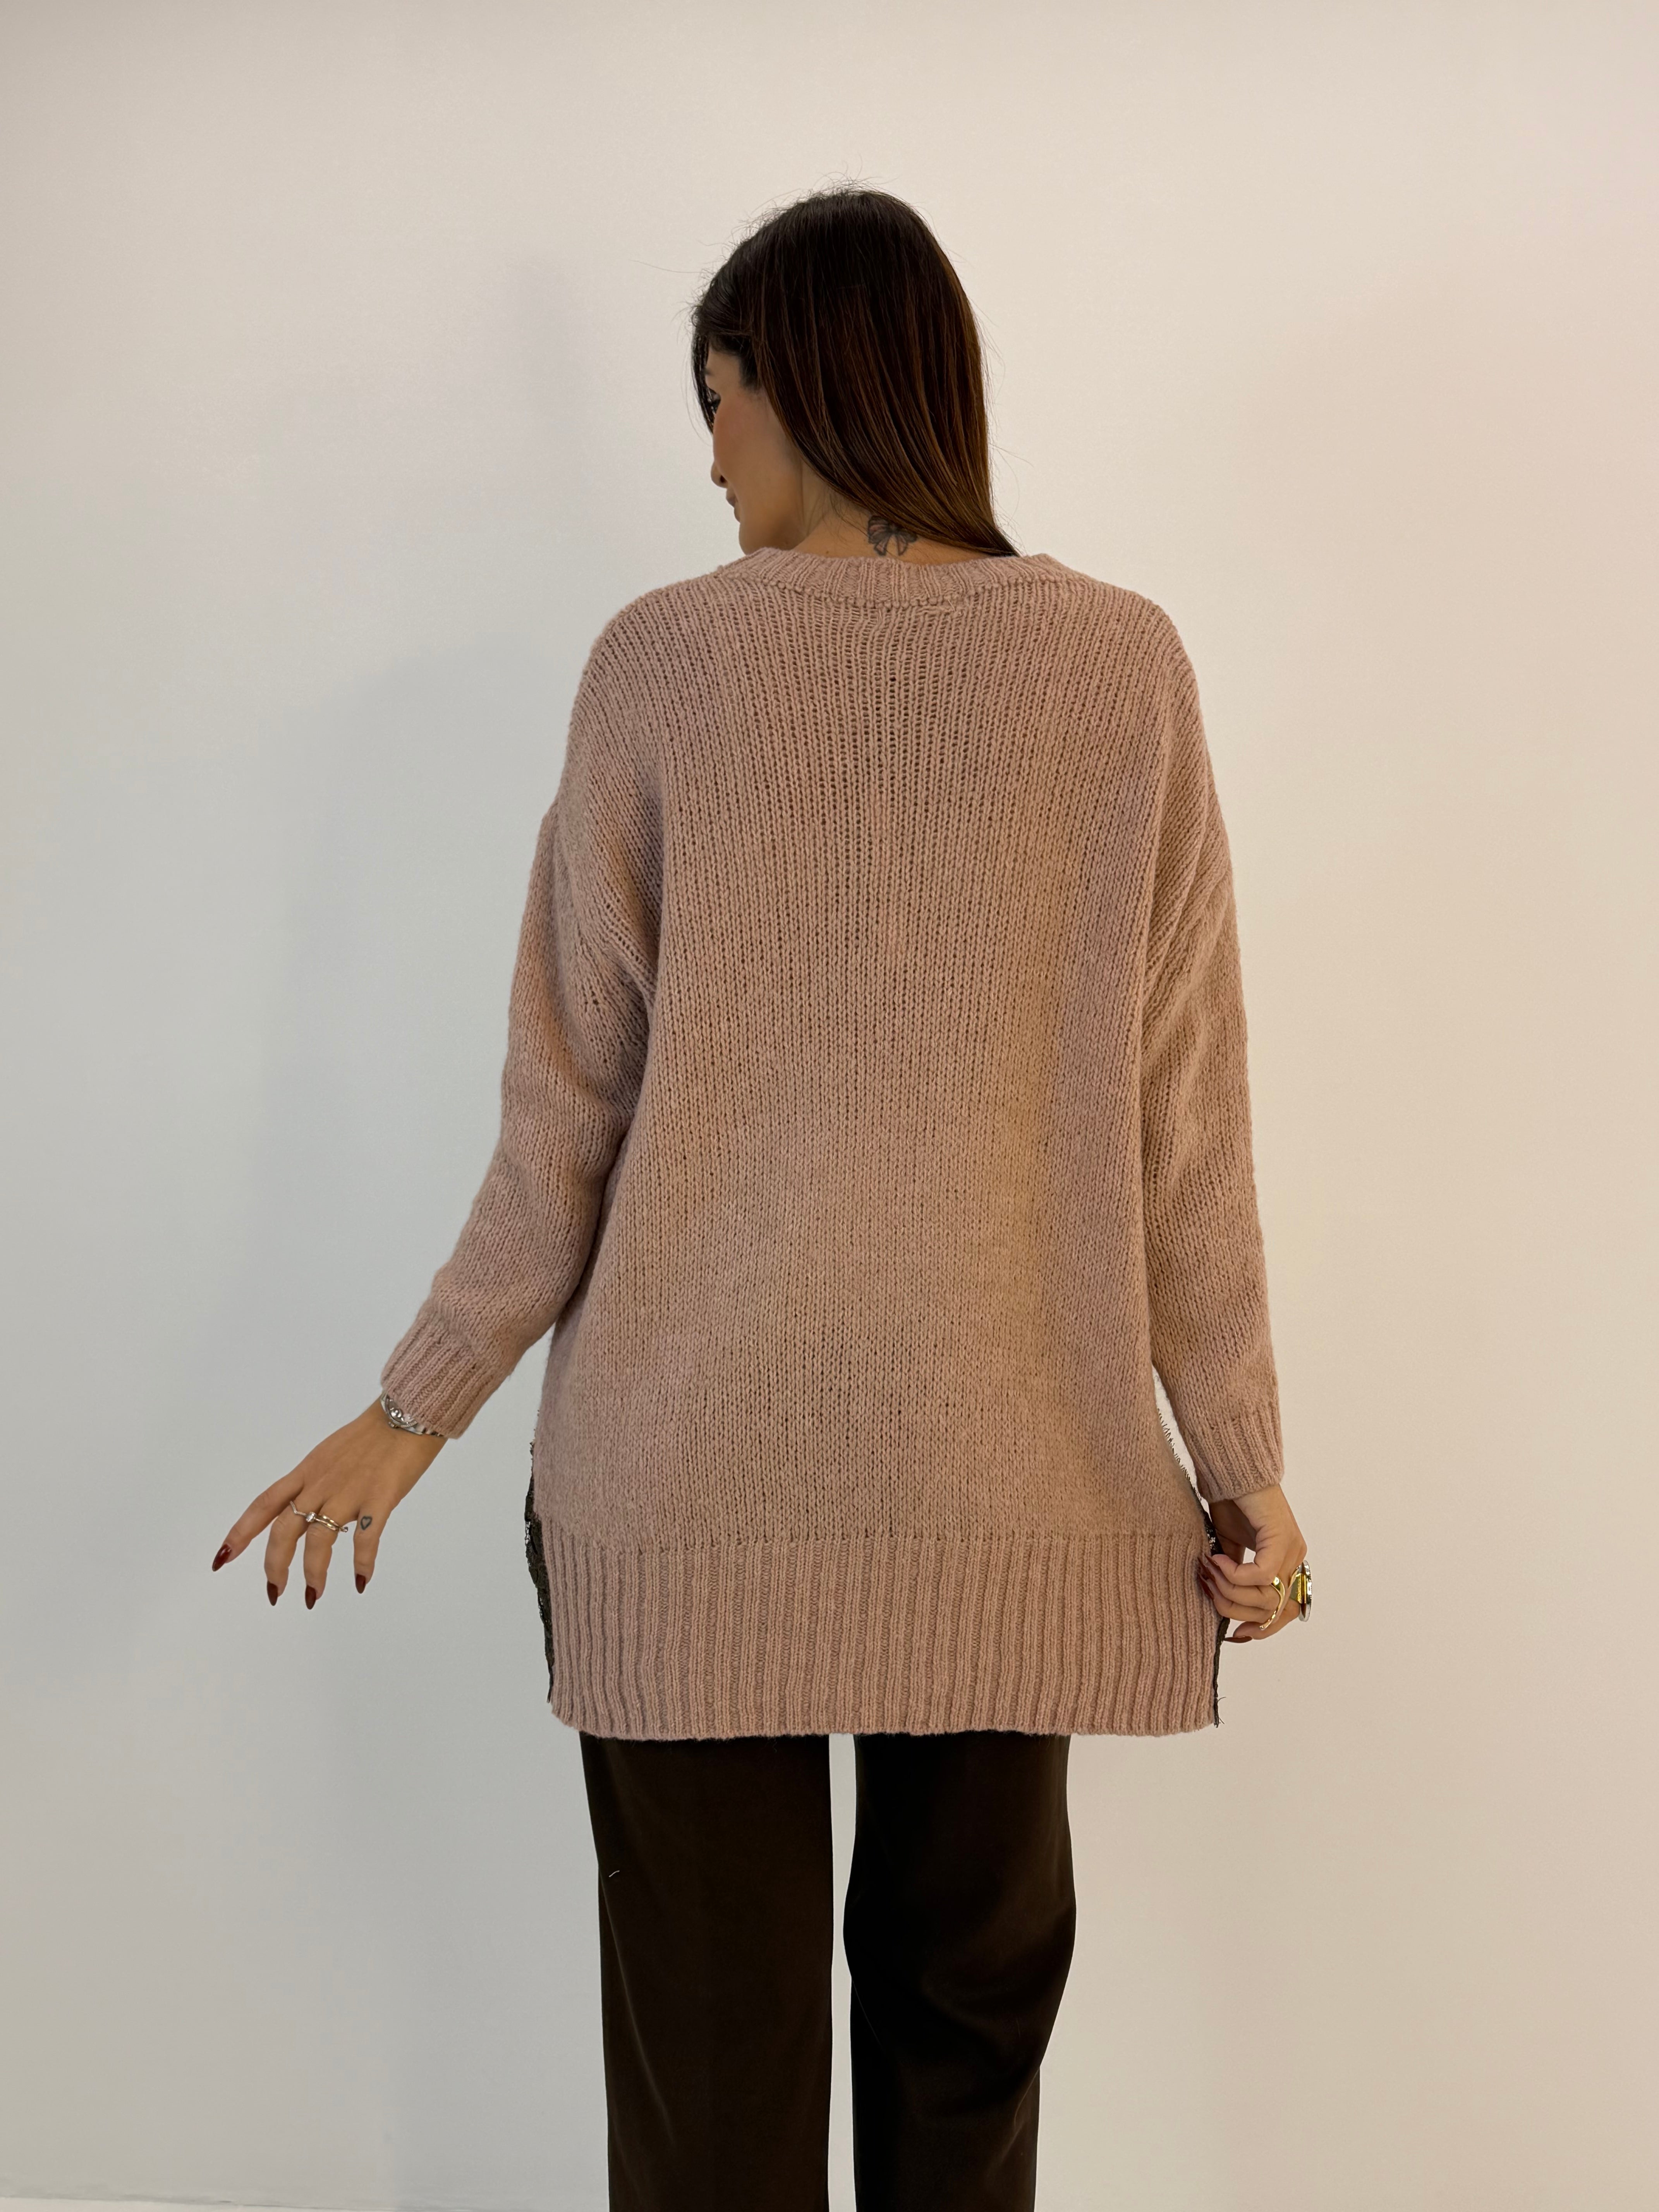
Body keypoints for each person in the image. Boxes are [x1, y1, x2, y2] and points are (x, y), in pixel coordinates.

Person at [211, 184, 1309, 2210]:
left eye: (715, 398)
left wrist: (416, 1408)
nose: (706, 454)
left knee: (710, 2098)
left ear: (796, 383)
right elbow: (1185, 1118)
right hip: (1015, 1477)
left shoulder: (666, 665)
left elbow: (568, 1110)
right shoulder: (1122, 668)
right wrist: (1240, 1461)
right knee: (963, 2068)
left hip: (691, 1482)